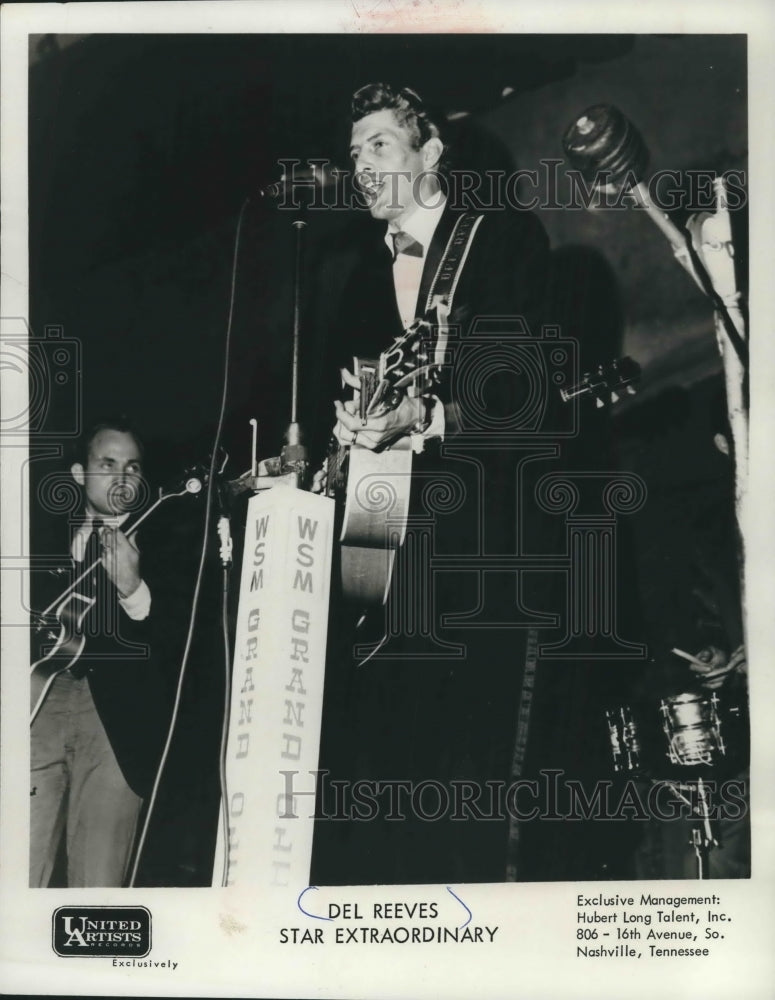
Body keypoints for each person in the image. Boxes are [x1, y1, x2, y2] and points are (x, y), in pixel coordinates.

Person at [308, 83, 555, 884]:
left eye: (378, 145)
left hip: (482, 548)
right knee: (387, 775)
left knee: (476, 784)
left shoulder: (500, 242)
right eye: (353, 153)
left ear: (430, 153)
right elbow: (349, 412)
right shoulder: (350, 283)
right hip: (382, 563)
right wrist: (338, 445)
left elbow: (530, 390)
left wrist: (435, 413)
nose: (361, 167)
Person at [30, 419, 173, 887]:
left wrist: (133, 587)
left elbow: (180, 648)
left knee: (98, 886)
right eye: (106, 464)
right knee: (19, 866)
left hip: (116, 721)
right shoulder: (36, 532)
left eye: (132, 467)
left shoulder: (168, 537)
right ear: (78, 474)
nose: (122, 478)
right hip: (33, 707)